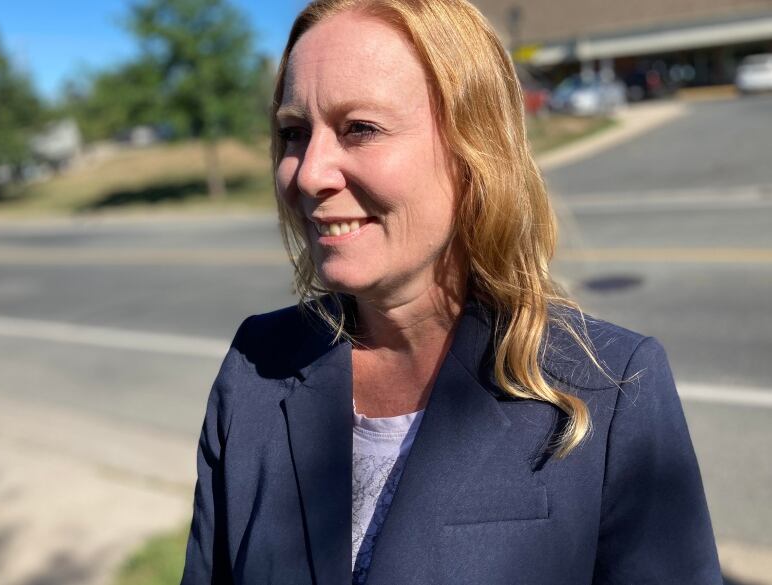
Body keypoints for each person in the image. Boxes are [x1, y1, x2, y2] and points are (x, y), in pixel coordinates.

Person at [181, 1, 723, 584]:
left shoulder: (611, 389)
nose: (309, 174)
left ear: (474, 148)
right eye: (294, 133)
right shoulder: (256, 366)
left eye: (360, 128)